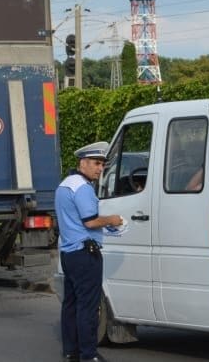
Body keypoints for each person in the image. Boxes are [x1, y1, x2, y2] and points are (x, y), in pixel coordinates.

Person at [56, 141, 124, 362]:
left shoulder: (65, 185)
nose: (100, 168)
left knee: (71, 304)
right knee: (88, 306)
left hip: (69, 254)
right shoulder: (83, 188)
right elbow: (91, 221)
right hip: (85, 254)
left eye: (102, 164)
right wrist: (113, 220)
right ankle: (88, 354)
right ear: (83, 163)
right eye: (96, 163)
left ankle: (71, 351)